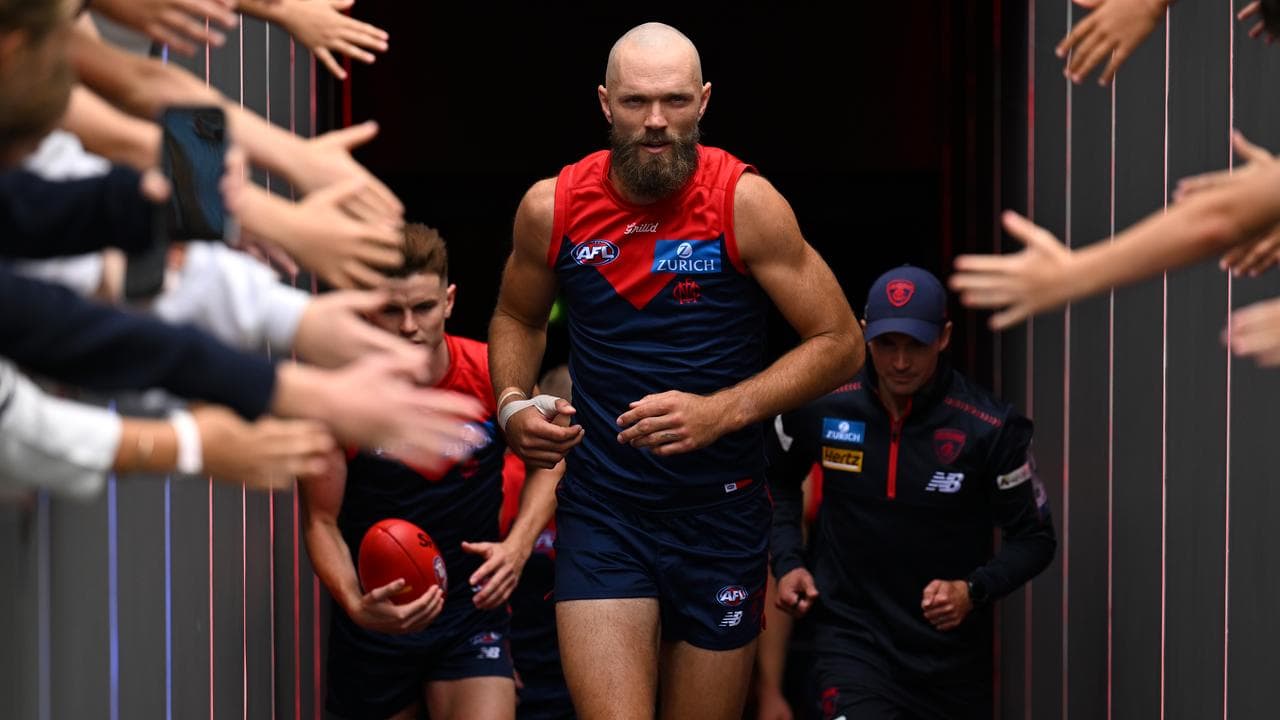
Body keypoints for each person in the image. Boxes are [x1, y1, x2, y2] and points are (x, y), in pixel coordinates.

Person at [488, 22, 863, 720]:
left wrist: (721, 410)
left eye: (674, 101)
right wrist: (513, 403)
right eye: (635, 103)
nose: (655, 122)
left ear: (704, 101)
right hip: (606, 511)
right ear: (604, 103)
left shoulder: (745, 202)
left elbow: (841, 341)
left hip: (720, 514)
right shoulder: (554, 206)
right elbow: (518, 318)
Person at [768, 266, 1056, 720]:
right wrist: (788, 562)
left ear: (943, 337)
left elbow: (1035, 540)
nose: (900, 362)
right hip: (850, 643)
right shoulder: (823, 405)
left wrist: (972, 590)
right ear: (865, 335)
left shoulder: (989, 428)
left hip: (949, 666)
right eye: (887, 344)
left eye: (915, 346)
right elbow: (778, 480)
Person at [300, 224, 561, 720]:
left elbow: (551, 460)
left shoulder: (490, 373)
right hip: (380, 622)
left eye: (422, 308)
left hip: (470, 617)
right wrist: (357, 604)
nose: (407, 327)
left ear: (449, 301)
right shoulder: (340, 399)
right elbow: (321, 521)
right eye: (390, 311)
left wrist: (517, 547)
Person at [501, 364, 574, 720]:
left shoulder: (615, 483)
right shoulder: (508, 480)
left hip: (577, 662)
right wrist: (499, 664)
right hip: (518, 663)